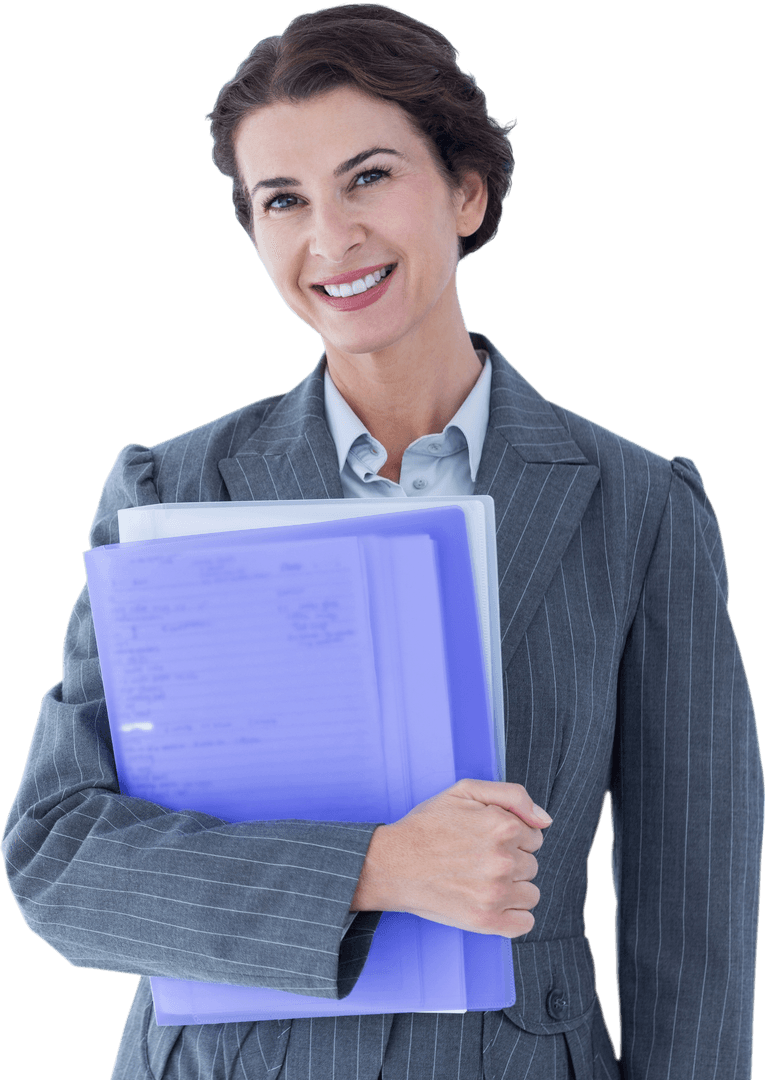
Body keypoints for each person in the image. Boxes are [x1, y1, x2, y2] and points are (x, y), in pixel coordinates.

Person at [3, 4, 762, 1078]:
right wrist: (377, 866)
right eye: (283, 200)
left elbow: (697, 917)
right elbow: (59, 856)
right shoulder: (174, 492)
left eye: (367, 177)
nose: (331, 238)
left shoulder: (638, 509)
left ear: (466, 190)